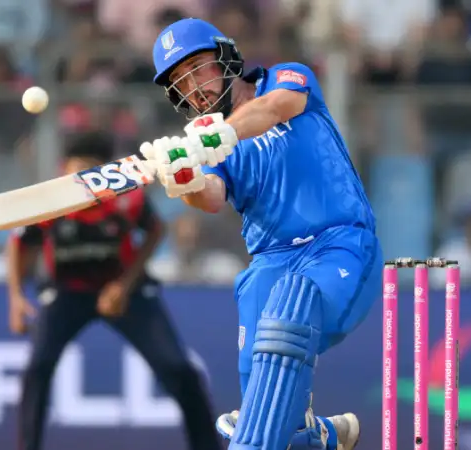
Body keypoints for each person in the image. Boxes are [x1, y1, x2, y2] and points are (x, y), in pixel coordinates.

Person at [138, 18, 383, 450]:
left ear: (226, 58)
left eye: (197, 68)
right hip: (270, 262)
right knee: (269, 386)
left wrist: (218, 136)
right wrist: (184, 178)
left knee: (291, 305)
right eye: (180, 82)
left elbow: (272, 109)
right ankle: (315, 435)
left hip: (339, 245)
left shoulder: (286, 78)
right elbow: (211, 197)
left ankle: (273, 429)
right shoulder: (210, 149)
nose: (194, 87)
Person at [6, 131, 222, 450]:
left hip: (124, 292)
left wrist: (124, 285)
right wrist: (16, 297)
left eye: (91, 171)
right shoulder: (50, 201)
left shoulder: (128, 197)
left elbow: (155, 230)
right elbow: (19, 244)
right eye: (76, 170)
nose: (83, 180)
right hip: (67, 292)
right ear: (64, 169)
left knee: (178, 369)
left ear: (105, 172)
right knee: (37, 368)